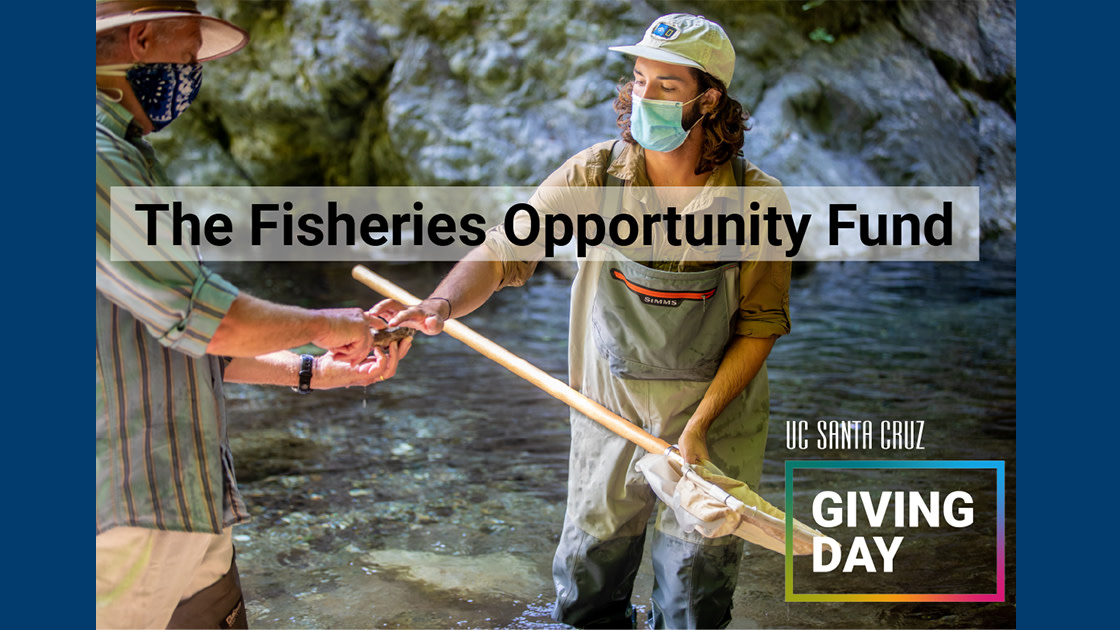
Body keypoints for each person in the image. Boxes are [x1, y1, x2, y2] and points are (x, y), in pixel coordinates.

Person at [374, 13, 791, 630]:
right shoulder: (594, 175)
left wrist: (698, 428)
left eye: (666, 87)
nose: (643, 96)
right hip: (609, 418)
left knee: (693, 602)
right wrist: (440, 304)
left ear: (710, 100)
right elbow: (502, 250)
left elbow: (759, 325)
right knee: (588, 598)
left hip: (715, 431)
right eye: (639, 78)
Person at [95, 2, 411, 628]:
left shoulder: (121, 151)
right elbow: (200, 314)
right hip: (121, 509)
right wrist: (326, 323)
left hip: (178, 504)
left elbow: (165, 336)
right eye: (187, 58)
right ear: (141, 39)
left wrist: (309, 371)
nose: (190, 78)